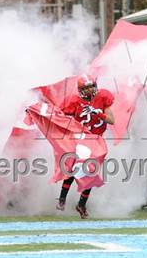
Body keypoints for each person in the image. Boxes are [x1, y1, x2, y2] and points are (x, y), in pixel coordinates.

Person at [56, 74, 115, 218]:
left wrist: (98, 113)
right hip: (80, 139)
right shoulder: (74, 101)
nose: (89, 91)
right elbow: (58, 115)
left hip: (96, 141)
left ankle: (81, 204)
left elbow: (112, 120)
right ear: (80, 90)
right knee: (74, 168)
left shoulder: (102, 97)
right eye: (86, 88)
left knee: (90, 172)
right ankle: (62, 198)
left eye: (91, 87)